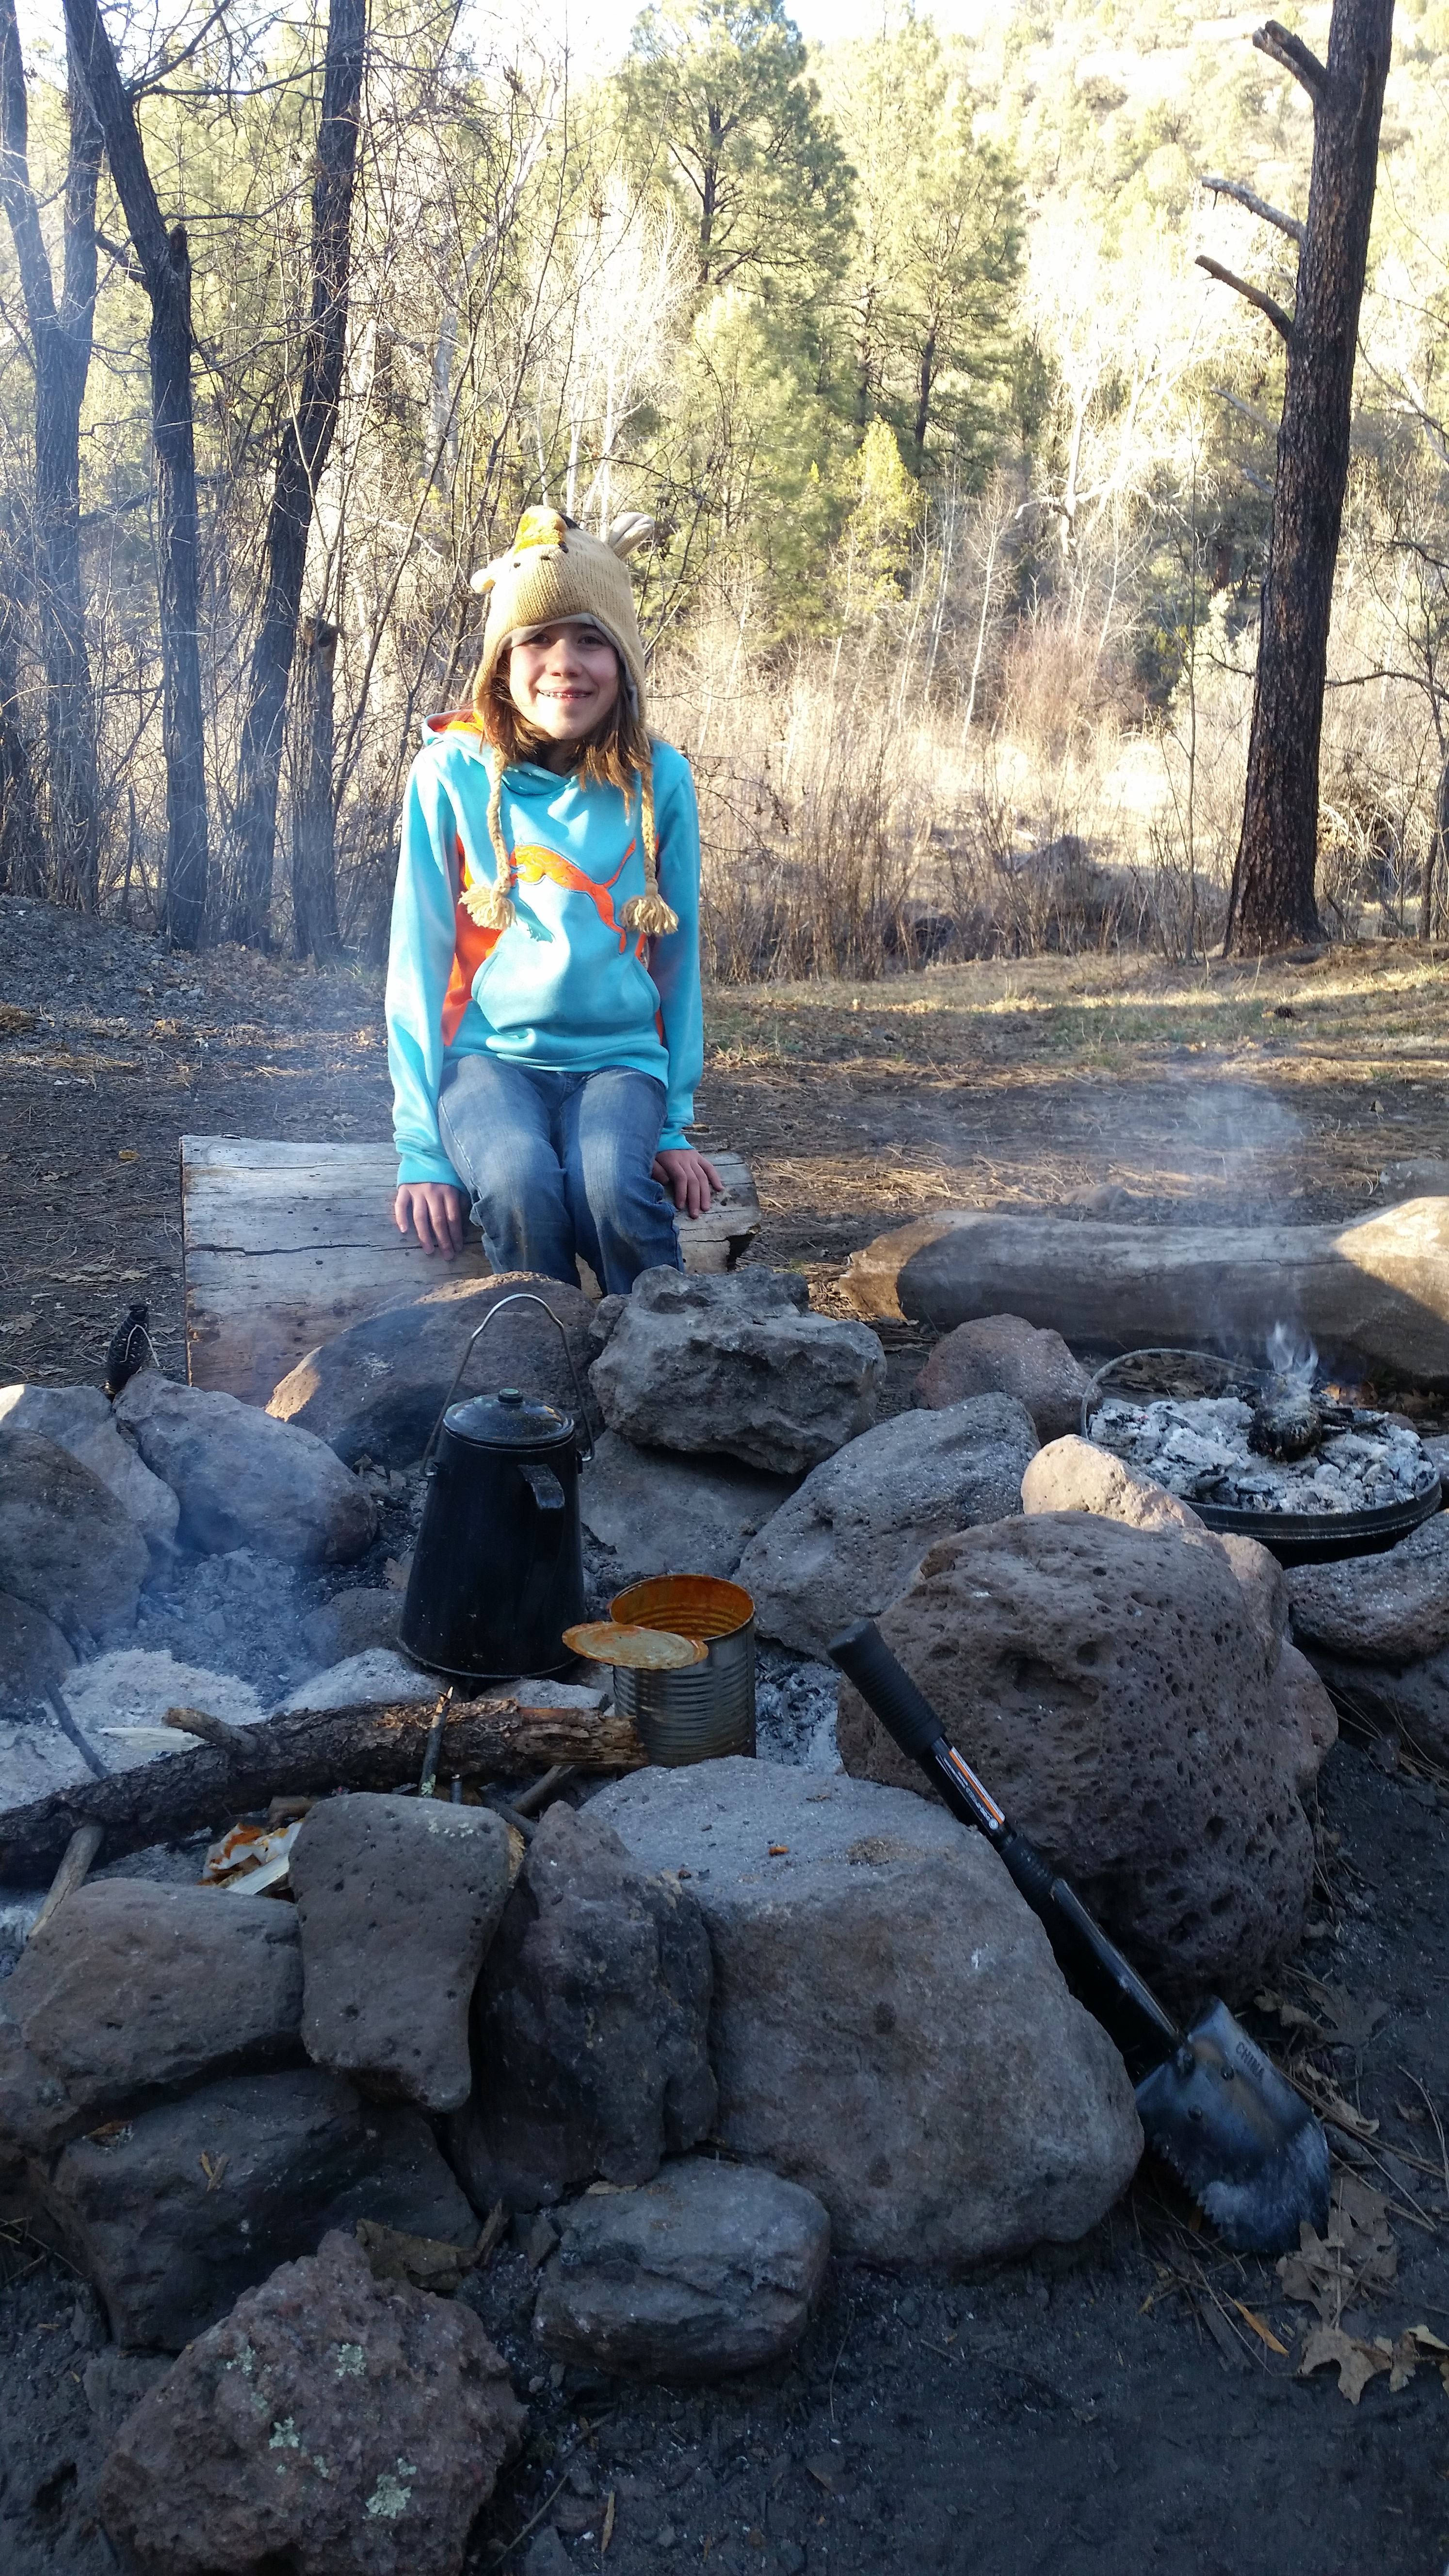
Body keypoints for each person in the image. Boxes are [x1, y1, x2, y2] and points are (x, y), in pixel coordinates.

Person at [386, 507, 720, 1295]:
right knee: (517, 1179)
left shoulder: (659, 780)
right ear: (501, 662)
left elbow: (679, 960)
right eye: (536, 639)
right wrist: (422, 1148)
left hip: (619, 1065)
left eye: (590, 639)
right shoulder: (450, 776)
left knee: (610, 1183)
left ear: (625, 660)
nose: (563, 664)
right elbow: (418, 963)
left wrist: (671, 1123)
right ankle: (536, 1391)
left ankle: (665, 1376)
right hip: (490, 1063)